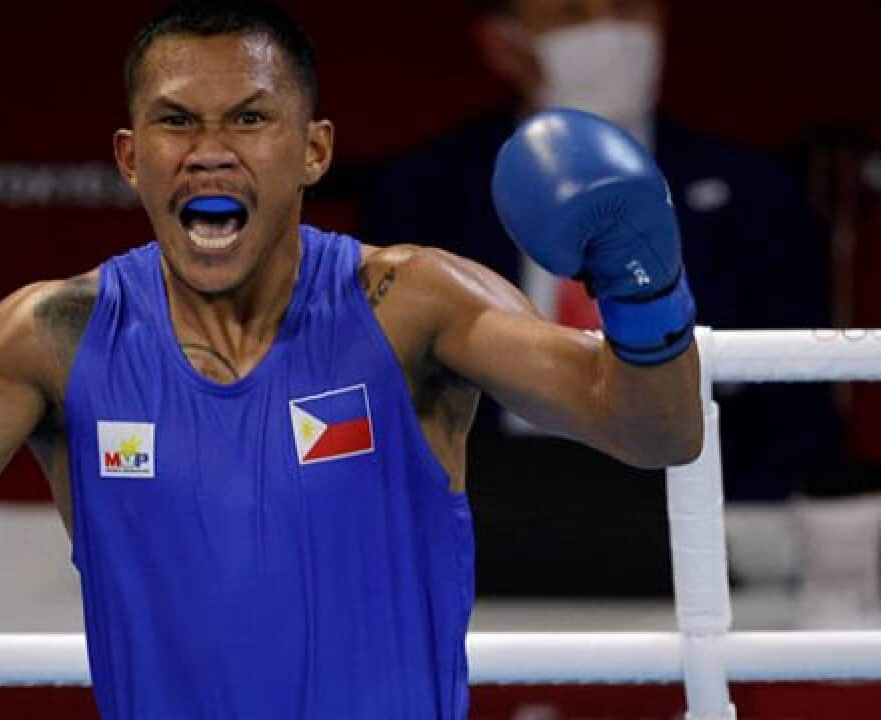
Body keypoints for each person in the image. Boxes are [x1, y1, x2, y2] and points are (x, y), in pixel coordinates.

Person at [0, 2, 702, 717]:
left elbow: (649, 429)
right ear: (127, 155)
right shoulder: (54, 337)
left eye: (247, 117)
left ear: (312, 148)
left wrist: (643, 293)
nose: (208, 151)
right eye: (174, 120)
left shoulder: (409, 306)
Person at [363, 0, 850, 614]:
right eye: (573, 14)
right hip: (481, 534)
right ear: (504, 43)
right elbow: (389, 397)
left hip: (709, 527)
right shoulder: (421, 192)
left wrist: (729, 521)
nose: (611, 32)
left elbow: (802, 416)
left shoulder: (758, 194)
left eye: (627, 7)